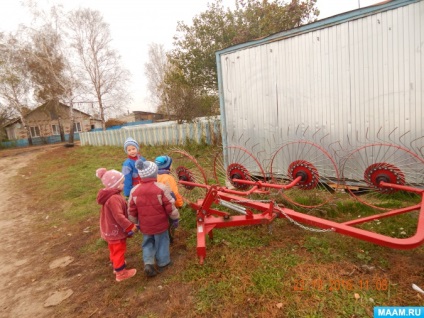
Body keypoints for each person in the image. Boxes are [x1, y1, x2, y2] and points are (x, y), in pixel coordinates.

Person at [128, 160, 180, 277]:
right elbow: (169, 206)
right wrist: (175, 218)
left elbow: (131, 210)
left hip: (145, 225)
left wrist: (134, 223)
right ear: (154, 174)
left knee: (147, 243)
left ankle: (148, 263)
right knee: (162, 242)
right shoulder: (161, 188)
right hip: (160, 224)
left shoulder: (134, 190)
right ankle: (163, 263)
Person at [96, 168, 138, 282]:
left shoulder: (110, 195)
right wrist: (130, 226)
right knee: (119, 249)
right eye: (122, 183)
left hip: (109, 229)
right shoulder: (114, 198)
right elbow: (118, 216)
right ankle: (121, 273)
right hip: (115, 230)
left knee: (113, 248)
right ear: (115, 185)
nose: (124, 184)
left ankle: (116, 264)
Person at [155, 155, 183, 244]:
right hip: (168, 206)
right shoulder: (168, 178)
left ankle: (159, 239)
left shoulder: (153, 176)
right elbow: (174, 193)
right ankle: (170, 239)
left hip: (156, 207)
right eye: (171, 164)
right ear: (168, 166)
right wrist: (179, 204)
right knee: (170, 223)